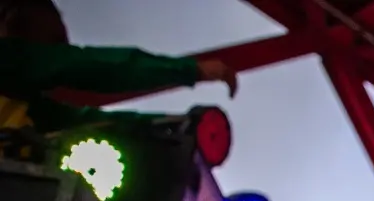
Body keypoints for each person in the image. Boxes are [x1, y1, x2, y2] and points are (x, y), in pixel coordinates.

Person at [1, 0, 236, 135]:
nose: (59, 51)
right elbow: (91, 66)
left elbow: (93, 123)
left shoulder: (27, 110)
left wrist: (176, 126)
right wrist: (190, 70)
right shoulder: (11, 57)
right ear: (9, 23)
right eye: (53, 44)